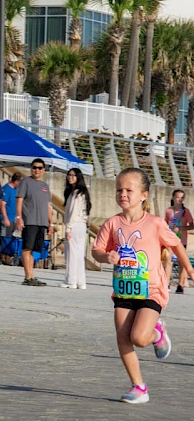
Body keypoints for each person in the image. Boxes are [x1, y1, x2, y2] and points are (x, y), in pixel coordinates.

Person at [92, 168, 194, 404]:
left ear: (144, 195)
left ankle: (157, 332)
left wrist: (189, 270)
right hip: (123, 289)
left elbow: (176, 245)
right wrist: (105, 257)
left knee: (139, 337)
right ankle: (139, 387)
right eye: (119, 190)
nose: (123, 194)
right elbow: (97, 250)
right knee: (123, 338)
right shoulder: (112, 223)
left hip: (151, 290)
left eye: (129, 190)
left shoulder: (156, 223)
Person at [15, 159, 53, 286]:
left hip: (41, 222)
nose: (36, 170)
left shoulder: (44, 186)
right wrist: (19, 218)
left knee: (34, 250)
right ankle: (28, 277)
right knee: (27, 248)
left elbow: (48, 205)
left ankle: (32, 276)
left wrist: (51, 223)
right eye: (34, 167)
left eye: (39, 168)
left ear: (43, 170)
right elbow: (19, 201)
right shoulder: (25, 182)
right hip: (30, 221)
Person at [60, 168, 91, 290]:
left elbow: (73, 212)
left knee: (71, 253)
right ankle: (80, 281)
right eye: (69, 175)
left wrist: (68, 228)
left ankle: (71, 280)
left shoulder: (76, 193)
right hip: (81, 225)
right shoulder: (83, 192)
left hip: (75, 225)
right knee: (78, 254)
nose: (70, 177)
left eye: (73, 175)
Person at [164, 189, 193, 294]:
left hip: (181, 241)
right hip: (170, 240)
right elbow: (164, 224)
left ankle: (180, 285)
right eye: (177, 197)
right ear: (173, 198)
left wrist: (181, 229)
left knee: (182, 263)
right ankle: (166, 283)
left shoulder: (186, 211)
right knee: (168, 261)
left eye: (182, 198)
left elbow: (192, 225)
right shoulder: (169, 210)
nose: (179, 200)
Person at [0, 172, 22, 236]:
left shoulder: (16, 190)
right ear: (16, 181)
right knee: (5, 239)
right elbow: (2, 205)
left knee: (12, 239)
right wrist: (5, 218)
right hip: (6, 219)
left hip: (13, 219)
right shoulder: (6, 189)